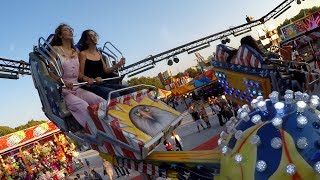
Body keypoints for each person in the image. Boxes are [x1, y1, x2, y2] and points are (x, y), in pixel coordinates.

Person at [49, 24, 106, 128]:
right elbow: (50, 72)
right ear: (60, 35)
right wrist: (62, 82)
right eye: (67, 30)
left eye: (71, 29)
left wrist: (87, 78)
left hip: (77, 87)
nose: (70, 31)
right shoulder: (55, 49)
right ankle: (96, 131)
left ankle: (113, 126)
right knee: (84, 107)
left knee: (101, 101)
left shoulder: (76, 51)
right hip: (64, 91)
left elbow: (79, 73)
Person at [77, 29, 133, 100]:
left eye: (95, 35)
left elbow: (106, 70)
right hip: (90, 85)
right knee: (114, 94)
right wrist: (89, 79)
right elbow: (80, 74)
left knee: (129, 89)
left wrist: (118, 64)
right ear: (86, 41)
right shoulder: (83, 54)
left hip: (102, 83)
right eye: (91, 35)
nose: (94, 37)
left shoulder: (99, 54)